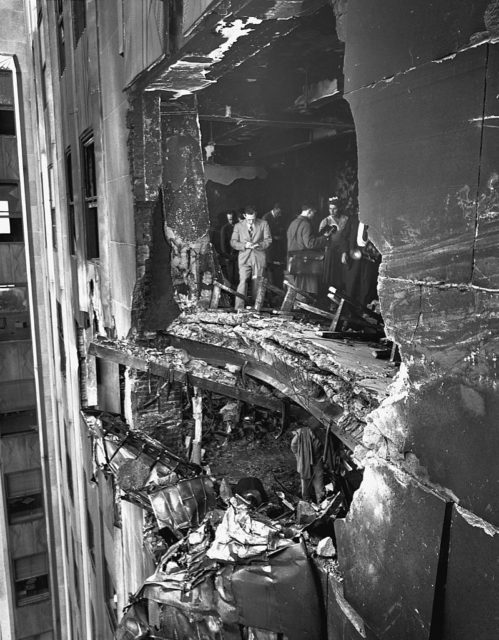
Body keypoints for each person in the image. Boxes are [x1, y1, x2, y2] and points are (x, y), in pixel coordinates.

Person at [230, 205, 272, 309]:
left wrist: (260, 245)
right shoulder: (238, 226)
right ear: (244, 216)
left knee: (257, 282)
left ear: (256, 215)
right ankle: (239, 307)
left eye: (253, 219)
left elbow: (268, 240)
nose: (251, 222)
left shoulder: (264, 223)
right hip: (244, 257)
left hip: (259, 257)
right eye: (249, 219)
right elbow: (233, 242)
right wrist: (244, 245)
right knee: (243, 281)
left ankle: (256, 307)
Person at [286, 203, 327, 295]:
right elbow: (310, 244)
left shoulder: (293, 223)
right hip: (305, 262)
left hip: (294, 260)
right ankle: (303, 306)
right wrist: (324, 238)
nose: (314, 215)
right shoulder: (306, 224)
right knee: (306, 289)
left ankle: (297, 305)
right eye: (313, 213)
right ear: (309, 211)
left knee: (296, 288)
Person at [319, 196, 349, 297]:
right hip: (331, 251)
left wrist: (345, 251)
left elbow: (348, 236)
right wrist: (326, 235)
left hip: (343, 251)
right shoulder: (326, 221)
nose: (332, 211)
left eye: (334, 208)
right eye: (330, 208)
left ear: (339, 208)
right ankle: (330, 299)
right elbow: (321, 238)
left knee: (343, 275)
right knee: (331, 276)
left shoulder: (345, 219)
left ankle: (342, 298)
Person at [290, 423, 324, 504]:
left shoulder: (312, 435)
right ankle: (307, 504)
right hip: (306, 464)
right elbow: (293, 447)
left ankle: (320, 503)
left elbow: (319, 446)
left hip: (315, 463)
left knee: (318, 486)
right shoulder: (299, 437)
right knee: (307, 488)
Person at [263, 202, 286, 289]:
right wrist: (274, 237)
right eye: (279, 212)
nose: (280, 214)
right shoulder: (266, 218)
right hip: (269, 250)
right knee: (270, 272)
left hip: (276, 249)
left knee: (277, 273)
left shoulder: (278, 218)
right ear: (275, 209)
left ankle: (276, 292)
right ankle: (272, 293)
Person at [219, 210, 237, 287]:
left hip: (239, 254)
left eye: (233, 219)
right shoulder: (225, 228)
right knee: (231, 275)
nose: (231, 221)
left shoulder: (238, 226)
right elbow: (223, 244)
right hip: (229, 255)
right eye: (230, 219)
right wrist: (227, 256)